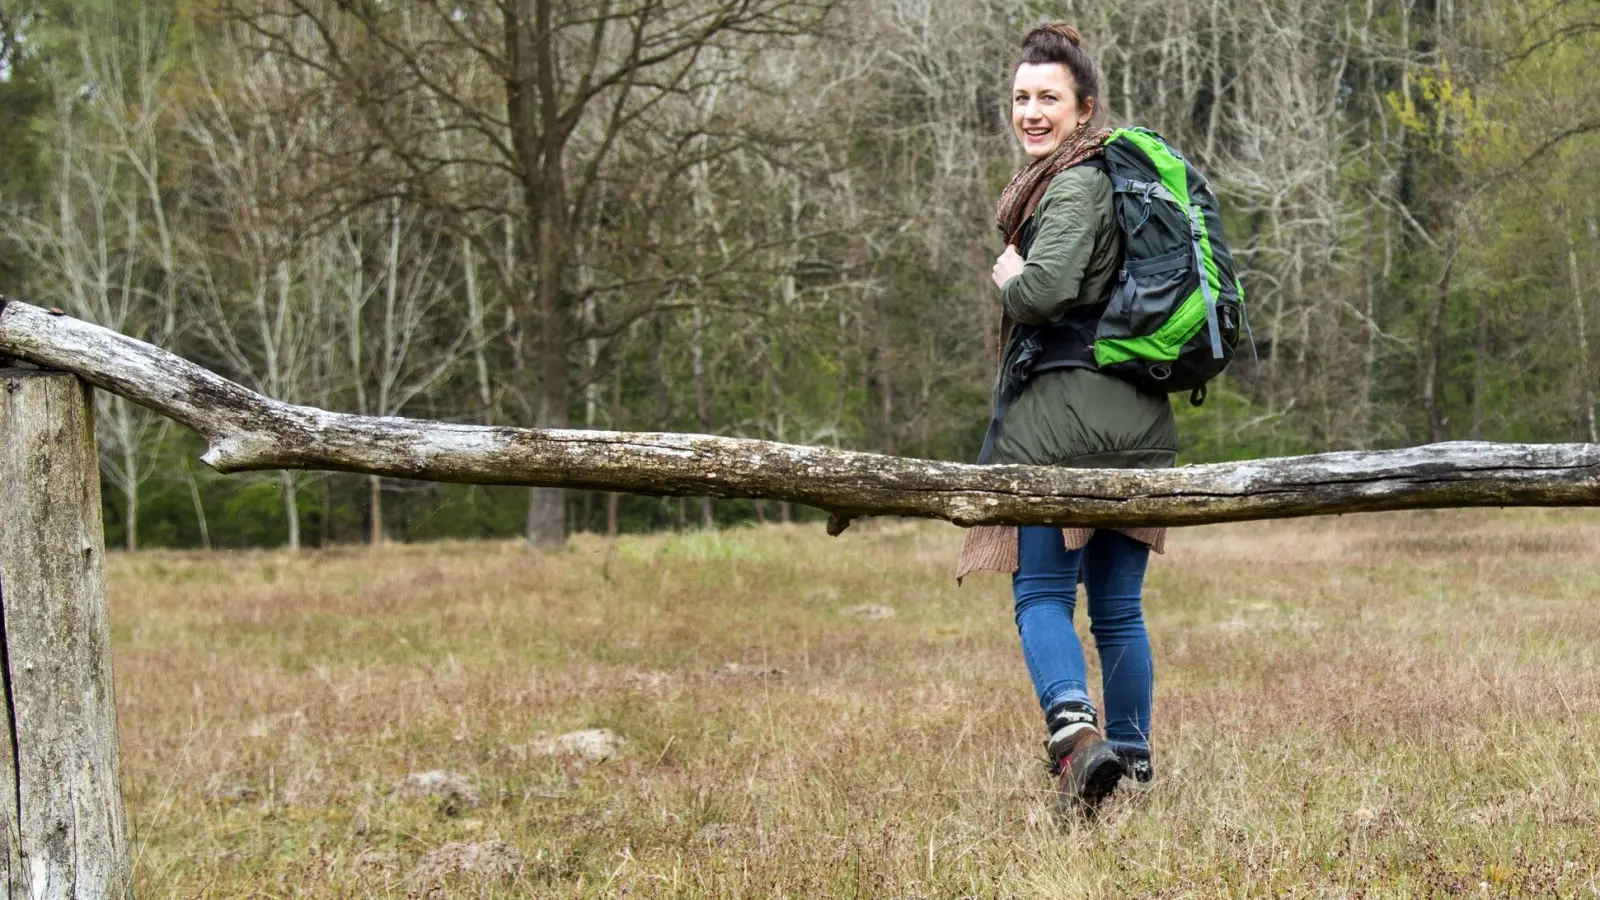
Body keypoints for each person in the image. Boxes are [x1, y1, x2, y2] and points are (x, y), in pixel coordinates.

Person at [956, 22, 1178, 811]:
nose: (1032, 112)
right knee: (1118, 608)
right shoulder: (1115, 183)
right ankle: (1137, 769)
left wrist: (1012, 275)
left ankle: (1078, 740)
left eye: (1049, 98)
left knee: (1042, 596)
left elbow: (1046, 292)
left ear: (1085, 110)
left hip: (1064, 424)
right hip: (1140, 424)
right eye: (1021, 98)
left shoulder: (1075, 182)